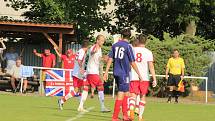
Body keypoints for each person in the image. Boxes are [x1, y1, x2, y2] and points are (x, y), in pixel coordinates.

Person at [103, 29, 143, 121]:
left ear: (121, 36)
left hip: (116, 72)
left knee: (126, 92)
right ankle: (115, 117)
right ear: (130, 37)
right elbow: (132, 62)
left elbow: (110, 59)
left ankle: (125, 115)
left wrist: (106, 72)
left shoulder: (115, 45)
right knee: (121, 93)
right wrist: (139, 74)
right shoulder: (128, 47)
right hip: (124, 74)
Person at [128, 35, 157, 121]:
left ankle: (131, 112)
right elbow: (151, 66)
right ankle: (140, 117)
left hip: (133, 76)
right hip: (144, 77)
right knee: (142, 96)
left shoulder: (132, 50)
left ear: (138, 40)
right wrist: (154, 78)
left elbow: (129, 63)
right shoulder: (148, 52)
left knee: (133, 95)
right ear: (146, 42)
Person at [79, 35, 110, 112]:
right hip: (93, 72)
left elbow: (97, 58)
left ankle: (80, 106)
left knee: (86, 89)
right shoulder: (95, 47)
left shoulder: (99, 49)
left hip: (90, 72)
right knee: (100, 88)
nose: (103, 42)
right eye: (101, 40)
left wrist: (103, 58)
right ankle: (102, 107)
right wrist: (94, 51)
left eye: (103, 40)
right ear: (97, 40)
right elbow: (92, 52)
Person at [58, 41, 89, 111]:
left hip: (77, 73)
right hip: (78, 73)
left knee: (80, 90)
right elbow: (79, 60)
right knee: (78, 90)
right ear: (87, 47)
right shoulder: (82, 52)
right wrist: (81, 69)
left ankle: (80, 106)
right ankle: (62, 101)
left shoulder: (80, 51)